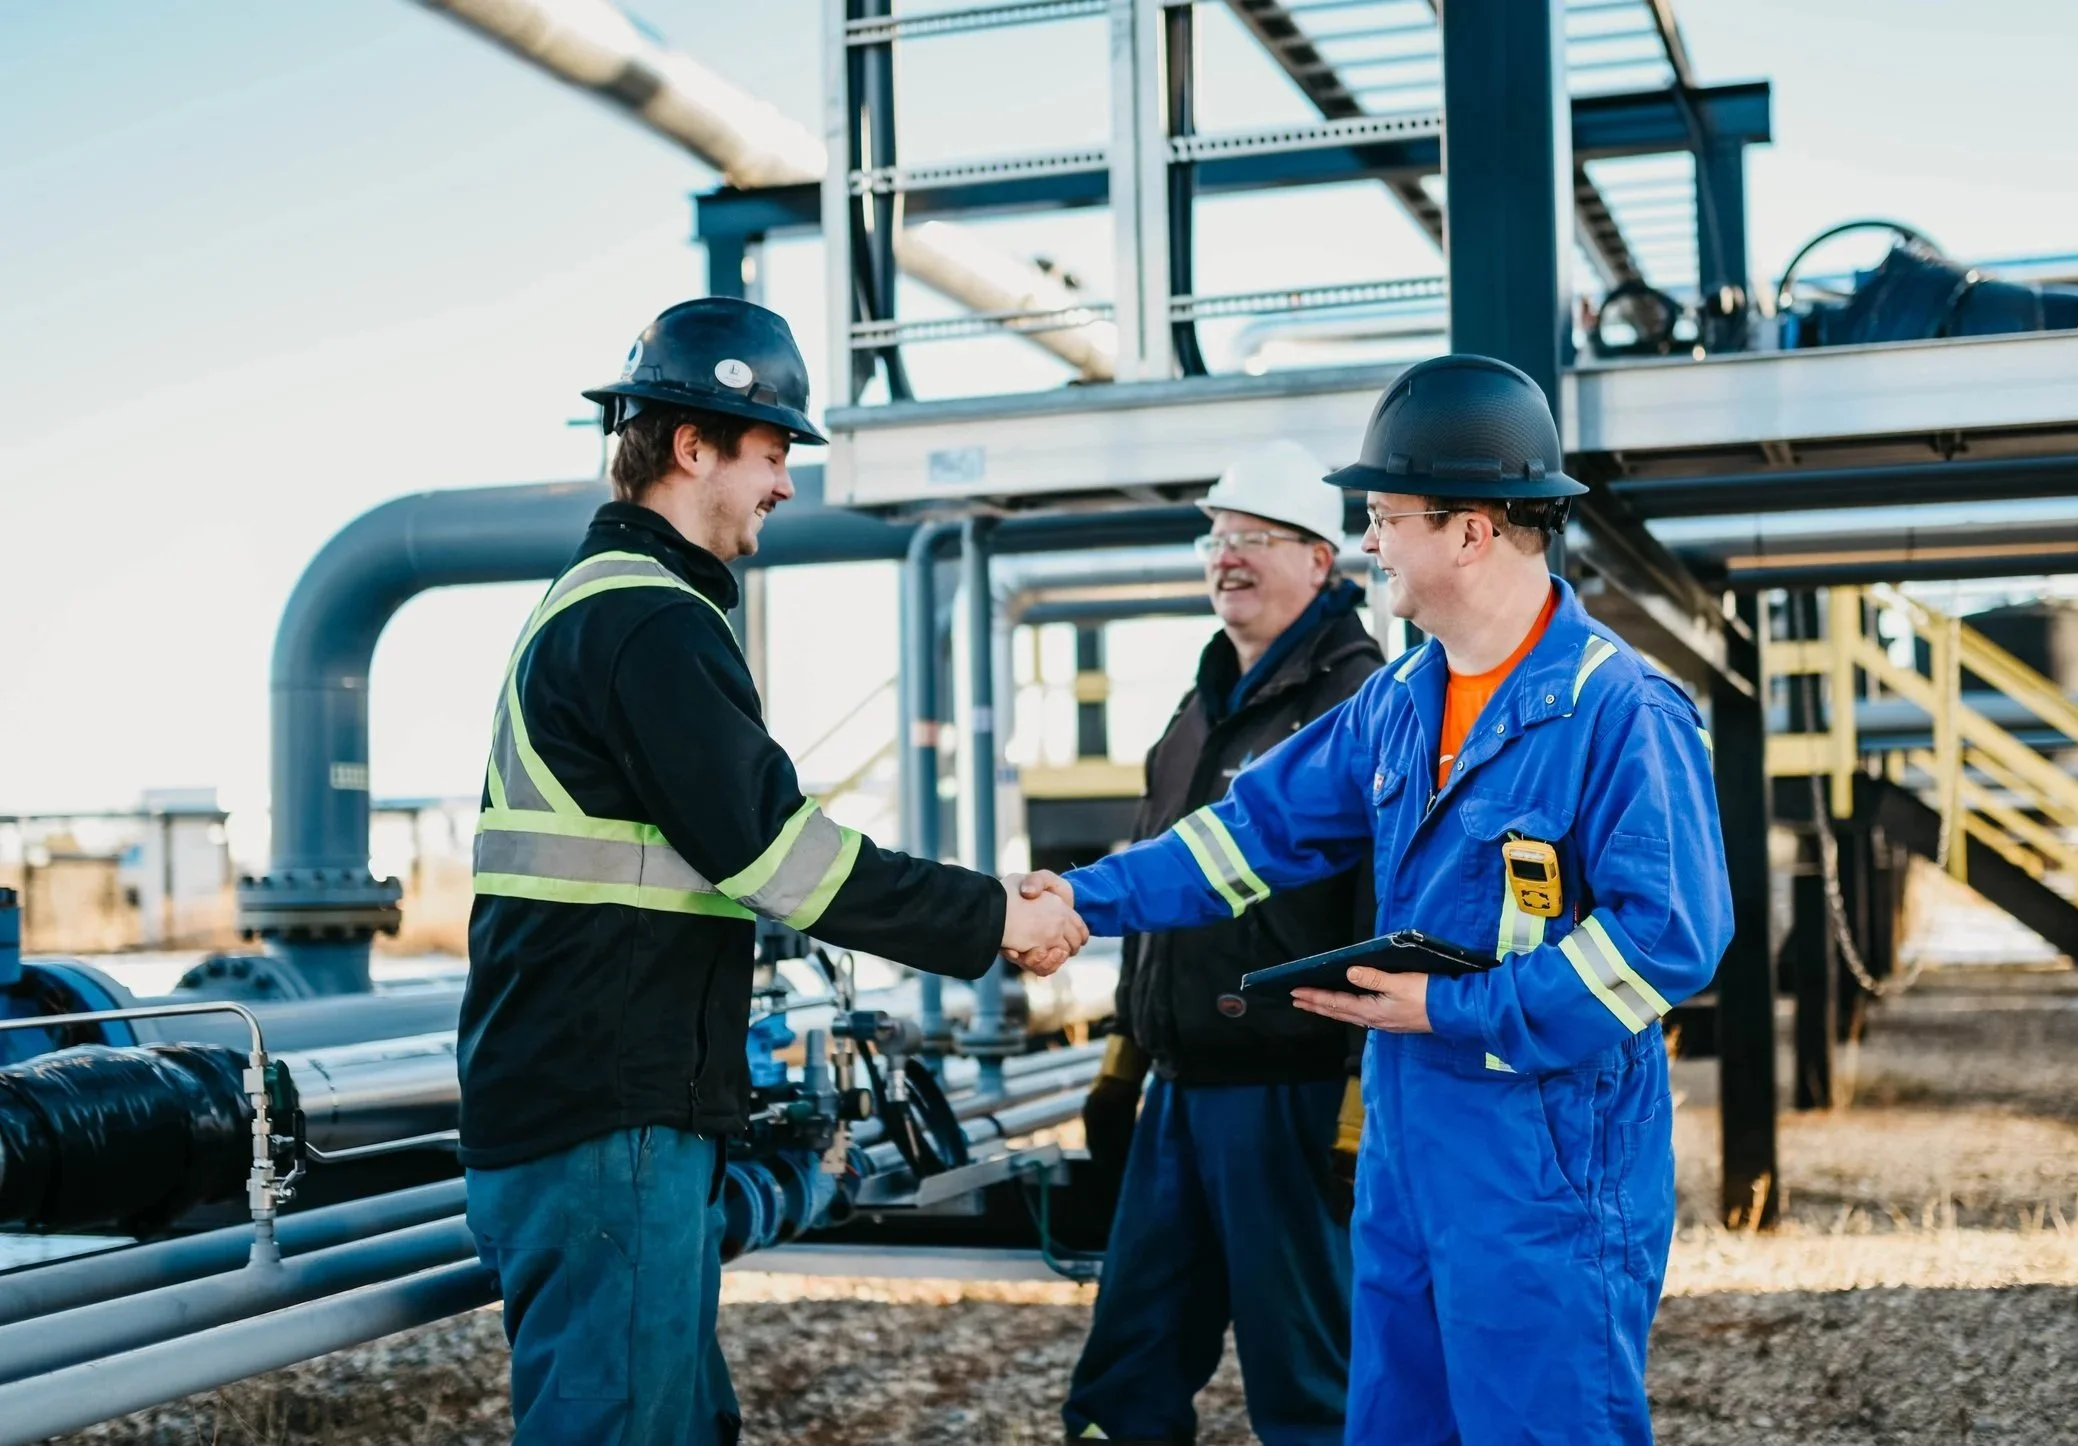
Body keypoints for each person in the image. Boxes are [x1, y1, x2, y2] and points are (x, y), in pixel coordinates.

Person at [1026, 355, 1731, 1446]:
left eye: (1385, 515)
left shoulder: (1617, 707)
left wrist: (1453, 1011)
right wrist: (1081, 897)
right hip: (1410, 1154)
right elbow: (1248, 834)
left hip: (1544, 1167)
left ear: (1471, 530)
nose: (1368, 542)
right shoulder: (1402, 702)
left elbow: (1667, 941)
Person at [457, 296, 1087, 1446]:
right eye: (772, 451)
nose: (788, 483)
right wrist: (995, 914)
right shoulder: (649, 625)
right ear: (690, 446)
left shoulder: (606, 609)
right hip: (609, 1120)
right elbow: (778, 858)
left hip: (597, 1105)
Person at [1063, 440, 1384, 1446]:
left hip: (1288, 1099)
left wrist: (1359, 1096)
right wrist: (1126, 1054)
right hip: (1181, 1093)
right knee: (1127, 1375)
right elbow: (1163, 893)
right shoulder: (1195, 714)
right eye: (1217, 536)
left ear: (1320, 561)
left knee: (1309, 1385)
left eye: (1255, 538)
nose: (1227, 557)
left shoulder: (1356, 708)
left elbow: (1385, 913)